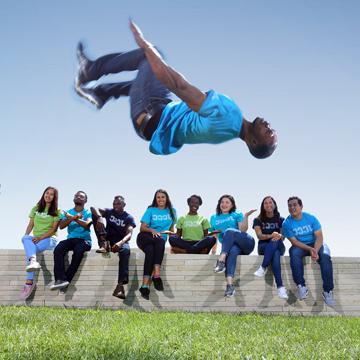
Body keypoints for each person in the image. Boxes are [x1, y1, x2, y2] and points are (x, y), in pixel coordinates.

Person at [74, 20, 277, 159]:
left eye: (268, 134)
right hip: (158, 113)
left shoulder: (229, 114)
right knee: (143, 82)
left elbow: (180, 86)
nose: (270, 127)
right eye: (272, 130)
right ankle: (101, 93)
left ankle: (89, 70)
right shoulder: (228, 133)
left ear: (252, 141)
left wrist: (145, 46)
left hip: (152, 112)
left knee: (151, 57)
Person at [282, 196, 335, 306]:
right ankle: (301, 286)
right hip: (300, 246)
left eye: (295, 205)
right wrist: (310, 249)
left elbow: (320, 237)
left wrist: (315, 250)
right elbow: (294, 242)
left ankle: (327, 291)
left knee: (325, 256)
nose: (292, 207)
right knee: (294, 252)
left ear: (301, 206)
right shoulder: (286, 223)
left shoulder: (311, 218)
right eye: (289, 206)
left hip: (316, 243)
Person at [90, 195, 136, 299]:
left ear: (124, 205)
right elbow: (93, 207)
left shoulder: (128, 217)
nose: (115, 205)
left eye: (118, 203)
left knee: (126, 251)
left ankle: (119, 287)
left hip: (120, 241)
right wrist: (100, 218)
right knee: (95, 215)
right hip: (107, 239)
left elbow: (129, 234)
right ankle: (103, 245)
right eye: (114, 203)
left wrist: (120, 243)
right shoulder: (109, 212)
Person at [20, 186, 61, 300]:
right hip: (36, 238)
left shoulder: (57, 211)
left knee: (30, 251)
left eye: (51, 194)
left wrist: (40, 238)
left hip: (49, 239)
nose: (48, 195)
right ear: (43, 194)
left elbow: (54, 230)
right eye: (47, 193)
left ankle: (29, 283)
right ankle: (33, 261)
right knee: (25, 238)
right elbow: (30, 225)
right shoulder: (36, 208)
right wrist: (26, 238)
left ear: (54, 197)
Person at [212, 195, 256, 297]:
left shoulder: (237, 214)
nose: (224, 204)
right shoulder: (214, 218)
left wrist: (245, 217)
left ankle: (221, 260)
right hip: (232, 248)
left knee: (229, 231)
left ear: (232, 204)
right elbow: (214, 236)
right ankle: (230, 286)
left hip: (246, 243)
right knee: (232, 252)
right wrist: (213, 252)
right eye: (222, 202)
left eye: (227, 202)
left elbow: (243, 230)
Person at [137, 189, 176, 300]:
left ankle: (144, 286)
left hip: (159, 241)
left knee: (150, 251)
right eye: (158, 197)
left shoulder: (172, 211)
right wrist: (152, 230)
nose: (160, 199)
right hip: (145, 237)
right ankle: (157, 275)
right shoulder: (151, 210)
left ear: (167, 198)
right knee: (159, 240)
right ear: (155, 199)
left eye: (163, 197)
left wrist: (170, 235)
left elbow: (172, 230)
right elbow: (142, 227)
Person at [50, 191, 92, 291]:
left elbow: (87, 225)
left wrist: (73, 218)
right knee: (58, 249)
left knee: (78, 251)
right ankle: (60, 279)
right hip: (71, 239)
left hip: (84, 241)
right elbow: (61, 226)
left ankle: (66, 279)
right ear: (73, 199)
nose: (78, 197)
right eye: (76, 196)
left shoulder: (88, 212)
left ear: (85, 200)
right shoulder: (69, 212)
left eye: (81, 197)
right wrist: (72, 217)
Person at [253, 196, 288, 300]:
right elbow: (259, 236)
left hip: (278, 244)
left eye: (270, 202)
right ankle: (280, 287)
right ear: (263, 206)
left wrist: (278, 236)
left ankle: (263, 267)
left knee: (275, 243)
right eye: (265, 203)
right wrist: (271, 236)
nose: (268, 205)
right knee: (275, 254)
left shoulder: (281, 219)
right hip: (263, 247)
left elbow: (283, 237)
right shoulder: (257, 220)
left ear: (274, 204)